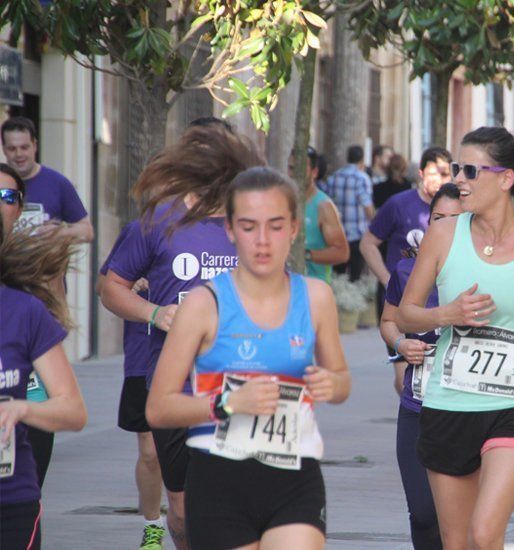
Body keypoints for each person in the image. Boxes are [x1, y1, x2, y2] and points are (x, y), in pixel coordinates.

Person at [395, 127, 514, 550]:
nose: (458, 179)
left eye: (470, 170)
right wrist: (448, 313)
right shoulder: (443, 235)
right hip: (449, 401)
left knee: (484, 533)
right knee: (456, 541)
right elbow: (406, 313)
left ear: (506, 179)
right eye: (457, 169)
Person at [146, 166, 351, 550]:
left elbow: (341, 380)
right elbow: (158, 409)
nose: (262, 241)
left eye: (275, 226)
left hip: (294, 475)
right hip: (219, 481)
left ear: (293, 229)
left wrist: (332, 383)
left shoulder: (316, 297)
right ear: (229, 230)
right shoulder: (203, 304)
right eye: (248, 226)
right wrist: (227, 404)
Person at [101, 126, 263, 549]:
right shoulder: (157, 221)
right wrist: (156, 313)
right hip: (173, 386)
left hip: (238, 382)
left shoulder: (249, 222)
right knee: (183, 507)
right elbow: (111, 287)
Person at [0, 163, 88, 549]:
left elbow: (73, 411)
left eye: (8, 196)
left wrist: (23, 409)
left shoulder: (23, 308)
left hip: (11, 500)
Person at [379, 183, 462, 550]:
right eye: (437, 218)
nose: (443, 227)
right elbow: (388, 322)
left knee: (460, 520)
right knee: (424, 515)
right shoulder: (407, 270)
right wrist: (400, 343)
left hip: (466, 411)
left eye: (454, 220)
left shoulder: (484, 274)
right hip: (417, 406)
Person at [96, 222, 166, 550]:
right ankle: (153, 526)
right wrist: (130, 285)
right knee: (150, 453)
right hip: (143, 355)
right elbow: (104, 285)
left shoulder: (212, 228)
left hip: (199, 358)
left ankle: (193, 521)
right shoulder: (141, 230)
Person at [361, 147, 452, 339]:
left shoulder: (461, 207)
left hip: (441, 298)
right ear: (420, 173)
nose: (440, 179)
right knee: (405, 361)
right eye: (434, 173)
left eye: (445, 174)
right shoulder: (398, 204)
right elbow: (367, 244)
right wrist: (387, 279)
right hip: (400, 296)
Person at [1, 116, 93, 242]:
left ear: (35, 146)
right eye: (12, 149)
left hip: (45, 260)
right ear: (4, 149)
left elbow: (87, 231)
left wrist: (60, 233)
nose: (19, 154)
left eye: (24, 147)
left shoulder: (57, 183)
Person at [326, 145, 374, 281]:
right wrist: (373, 225)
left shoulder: (334, 177)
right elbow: (367, 206)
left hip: (337, 233)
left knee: (338, 277)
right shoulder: (362, 178)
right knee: (355, 278)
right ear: (362, 159)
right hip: (357, 234)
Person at [303, 147, 349, 283]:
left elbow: (342, 253)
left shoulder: (323, 206)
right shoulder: (283, 202)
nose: (293, 174)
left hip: (313, 289)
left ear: (314, 172)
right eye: (290, 168)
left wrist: (304, 254)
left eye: (300, 169)